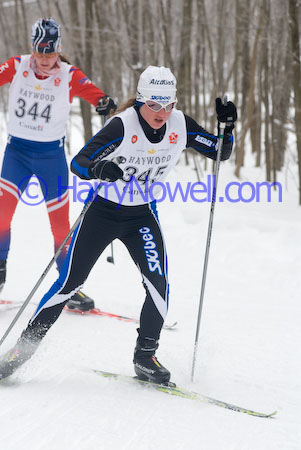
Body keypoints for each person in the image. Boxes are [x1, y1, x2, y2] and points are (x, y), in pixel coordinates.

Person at [0, 65, 237, 384]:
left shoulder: (180, 125)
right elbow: (79, 162)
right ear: (140, 101)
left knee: (159, 285)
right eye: (154, 104)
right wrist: (100, 169)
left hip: (141, 216)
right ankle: (21, 350)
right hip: (102, 213)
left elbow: (219, 152)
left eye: (168, 104)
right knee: (69, 283)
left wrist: (228, 127)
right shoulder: (122, 125)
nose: (161, 112)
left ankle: (145, 357)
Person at [0, 18, 116, 311]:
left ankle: (68, 285)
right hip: (17, 155)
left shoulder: (69, 74)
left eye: (49, 54)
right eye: (39, 54)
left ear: (58, 49)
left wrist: (104, 103)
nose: (43, 60)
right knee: (1, 217)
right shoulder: (17, 65)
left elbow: (96, 95)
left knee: (61, 225)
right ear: (32, 48)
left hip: (50, 158)